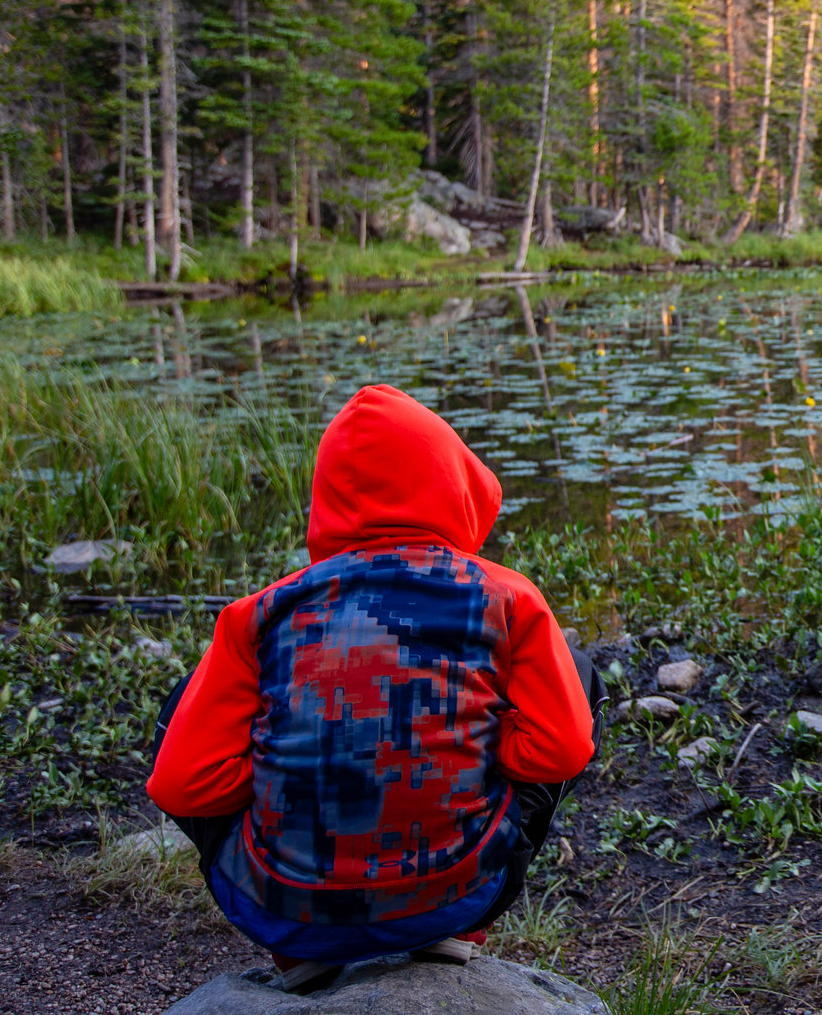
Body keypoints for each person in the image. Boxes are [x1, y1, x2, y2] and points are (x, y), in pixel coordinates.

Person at [146, 384, 604, 992]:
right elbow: (563, 751)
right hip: (463, 894)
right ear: (453, 480)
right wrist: (480, 749)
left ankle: (301, 956)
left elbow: (180, 783)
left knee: (184, 708)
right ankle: (450, 934)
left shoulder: (260, 613)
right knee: (579, 676)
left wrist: (275, 774)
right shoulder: (507, 598)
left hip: (280, 911)